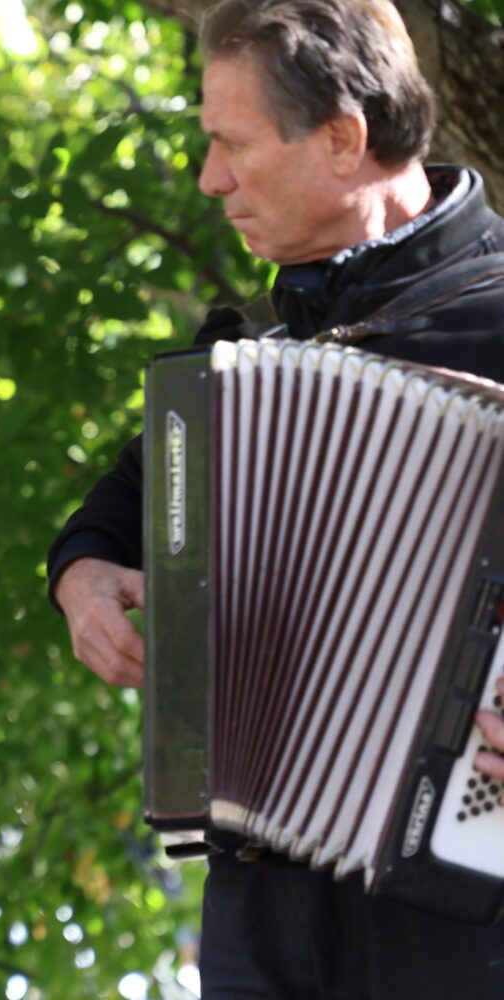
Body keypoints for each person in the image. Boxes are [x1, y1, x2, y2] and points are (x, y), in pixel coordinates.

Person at [47, 1, 504, 996]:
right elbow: (128, 492)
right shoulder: (253, 356)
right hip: (268, 914)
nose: (210, 179)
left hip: (472, 916)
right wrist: (81, 577)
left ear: (342, 139)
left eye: (228, 145)